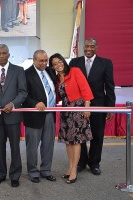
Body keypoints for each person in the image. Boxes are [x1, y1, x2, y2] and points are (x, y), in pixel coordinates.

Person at [69, 38, 116, 175]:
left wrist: (110, 107)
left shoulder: (105, 63)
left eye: (92, 46)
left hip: (98, 105)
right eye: (87, 46)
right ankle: (82, 162)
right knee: (80, 135)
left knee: (97, 135)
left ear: (96, 48)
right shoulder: (74, 62)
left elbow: (109, 87)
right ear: (84, 47)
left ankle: (94, 163)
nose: (89, 49)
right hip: (79, 105)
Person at [49, 53, 93, 184]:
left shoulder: (74, 71)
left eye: (59, 61)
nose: (58, 65)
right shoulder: (57, 78)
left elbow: (85, 88)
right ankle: (70, 167)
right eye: (55, 64)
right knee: (68, 141)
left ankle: (74, 170)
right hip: (66, 111)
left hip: (78, 109)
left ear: (63, 61)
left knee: (76, 140)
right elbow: (58, 96)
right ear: (52, 67)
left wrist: (87, 106)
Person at [0, 44, 27, 187]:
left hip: (13, 115)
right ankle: (0, 174)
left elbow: (23, 92)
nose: (2, 56)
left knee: (15, 147)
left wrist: (13, 104)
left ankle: (15, 176)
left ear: (9, 55)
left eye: (4, 53)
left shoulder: (18, 70)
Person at [22, 50, 56, 184]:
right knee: (32, 147)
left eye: (46, 60)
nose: (44, 63)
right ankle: (33, 172)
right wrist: (35, 103)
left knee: (48, 144)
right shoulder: (26, 74)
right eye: (41, 61)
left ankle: (46, 170)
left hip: (50, 114)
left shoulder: (50, 71)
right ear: (34, 60)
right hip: (34, 116)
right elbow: (23, 95)